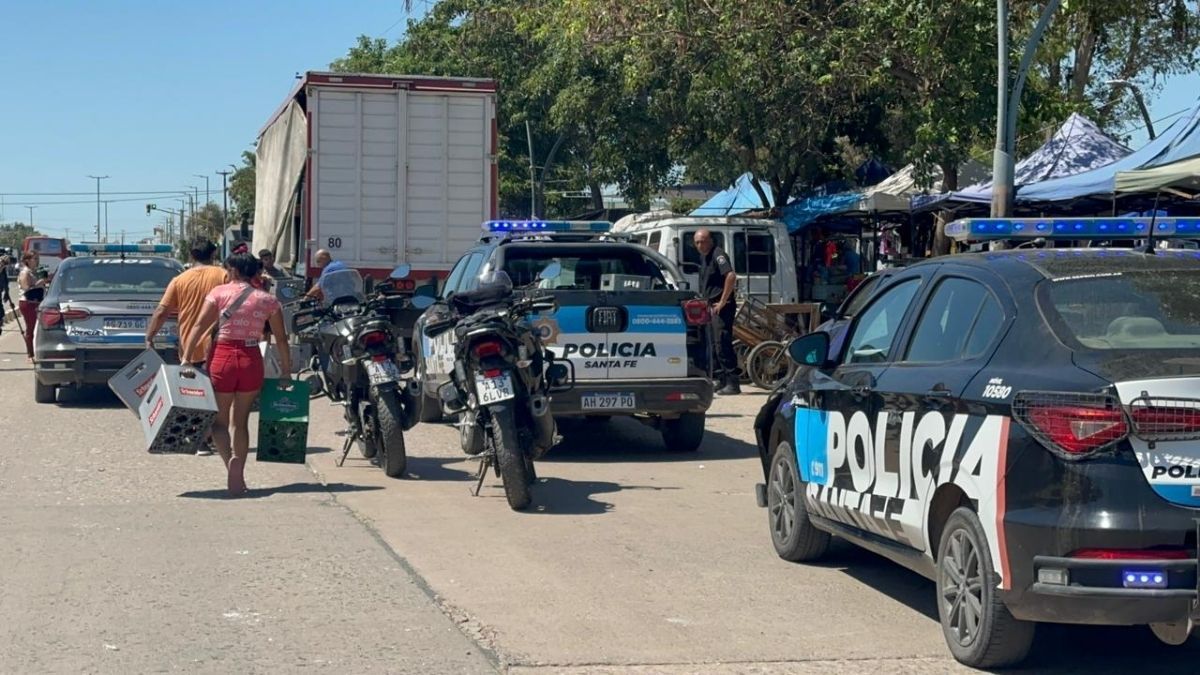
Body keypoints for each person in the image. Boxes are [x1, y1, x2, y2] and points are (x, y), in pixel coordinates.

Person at [180, 253, 292, 496]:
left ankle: (232, 466)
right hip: (251, 358)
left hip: (223, 357)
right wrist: (286, 372)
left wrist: (187, 359)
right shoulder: (268, 300)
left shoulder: (218, 293)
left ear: (233, 270)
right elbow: (282, 339)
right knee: (240, 422)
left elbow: (199, 326)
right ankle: (239, 467)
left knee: (219, 423)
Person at [146, 238, 227, 455]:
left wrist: (150, 336)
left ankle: (200, 438)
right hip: (219, 343)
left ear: (191, 256)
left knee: (195, 393)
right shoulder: (222, 276)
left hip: (190, 345)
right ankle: (208, 437)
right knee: (217, 394)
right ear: (214, 254)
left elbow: (162, 311)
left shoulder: (179, 280)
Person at [694, 229, 740, 395]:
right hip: (709, 306)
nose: (700, 245)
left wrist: (722, 301)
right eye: (697, 242)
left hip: (721, 307)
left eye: (703, 241)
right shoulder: (704, 257)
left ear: (711, 240)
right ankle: (720, 379)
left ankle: (733, 382)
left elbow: (731, 276)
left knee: (722, 343)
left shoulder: (718, 254)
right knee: (712, 344)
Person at [17, 252, 48, 361]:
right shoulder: (25, 272)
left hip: (39, 302)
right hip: (28, 303)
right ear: (28, 260)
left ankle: (39, 350)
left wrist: (45, 279)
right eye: (35, 258)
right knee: (31, 328)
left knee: (40, 328)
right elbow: (26, 288)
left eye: (38, 258)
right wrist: (38, 283)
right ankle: (30, 354)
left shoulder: (37, 271)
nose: (37, 260)